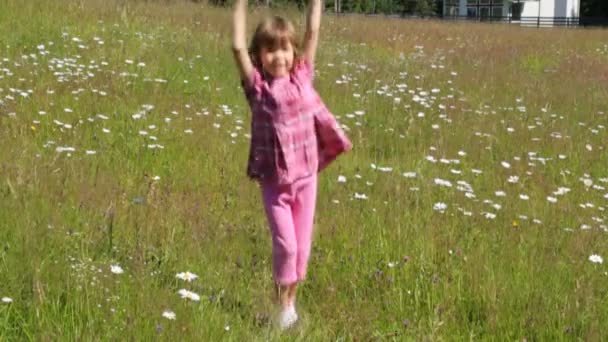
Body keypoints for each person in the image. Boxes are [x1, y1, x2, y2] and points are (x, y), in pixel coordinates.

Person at [232, 0, 352, 330]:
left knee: (301, 250)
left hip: (306, 178)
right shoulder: (257, 89)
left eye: (285, 48)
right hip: (275, 183)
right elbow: (236, 45)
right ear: (260, 55)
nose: (279, 56)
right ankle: (282, 308)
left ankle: (286, 308)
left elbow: (314, 29)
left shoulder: (302, 77)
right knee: (285, 245)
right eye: (270, 50)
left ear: (294, 52)